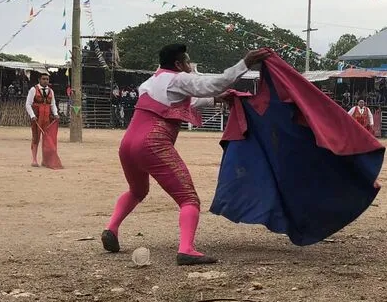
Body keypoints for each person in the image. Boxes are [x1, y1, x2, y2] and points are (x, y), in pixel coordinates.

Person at [101, 44, 274, 265]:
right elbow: (212, 84)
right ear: (178, 64)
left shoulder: (150, 83)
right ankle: (186, 249)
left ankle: (111, 229)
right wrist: (246, 62)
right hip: (153, 143)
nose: (190, 67)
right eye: (187, 62)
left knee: (137, 190)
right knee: (188, 199)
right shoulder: (179, 79)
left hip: (127, 144)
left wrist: (217, 99)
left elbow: (185, 101)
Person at [25, 73, 63, 169]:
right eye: (44, 79)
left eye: (47, 79)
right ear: (39, 79)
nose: (46, 81)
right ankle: (34, 159)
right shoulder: (33, 90)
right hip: (37, 117)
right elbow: (28, 104)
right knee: (36, 138)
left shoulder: (51, 91)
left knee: (48, 139)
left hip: (47, 117)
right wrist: (32, 115)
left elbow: (52, 104)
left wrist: (55, 114)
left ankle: (46, 160)